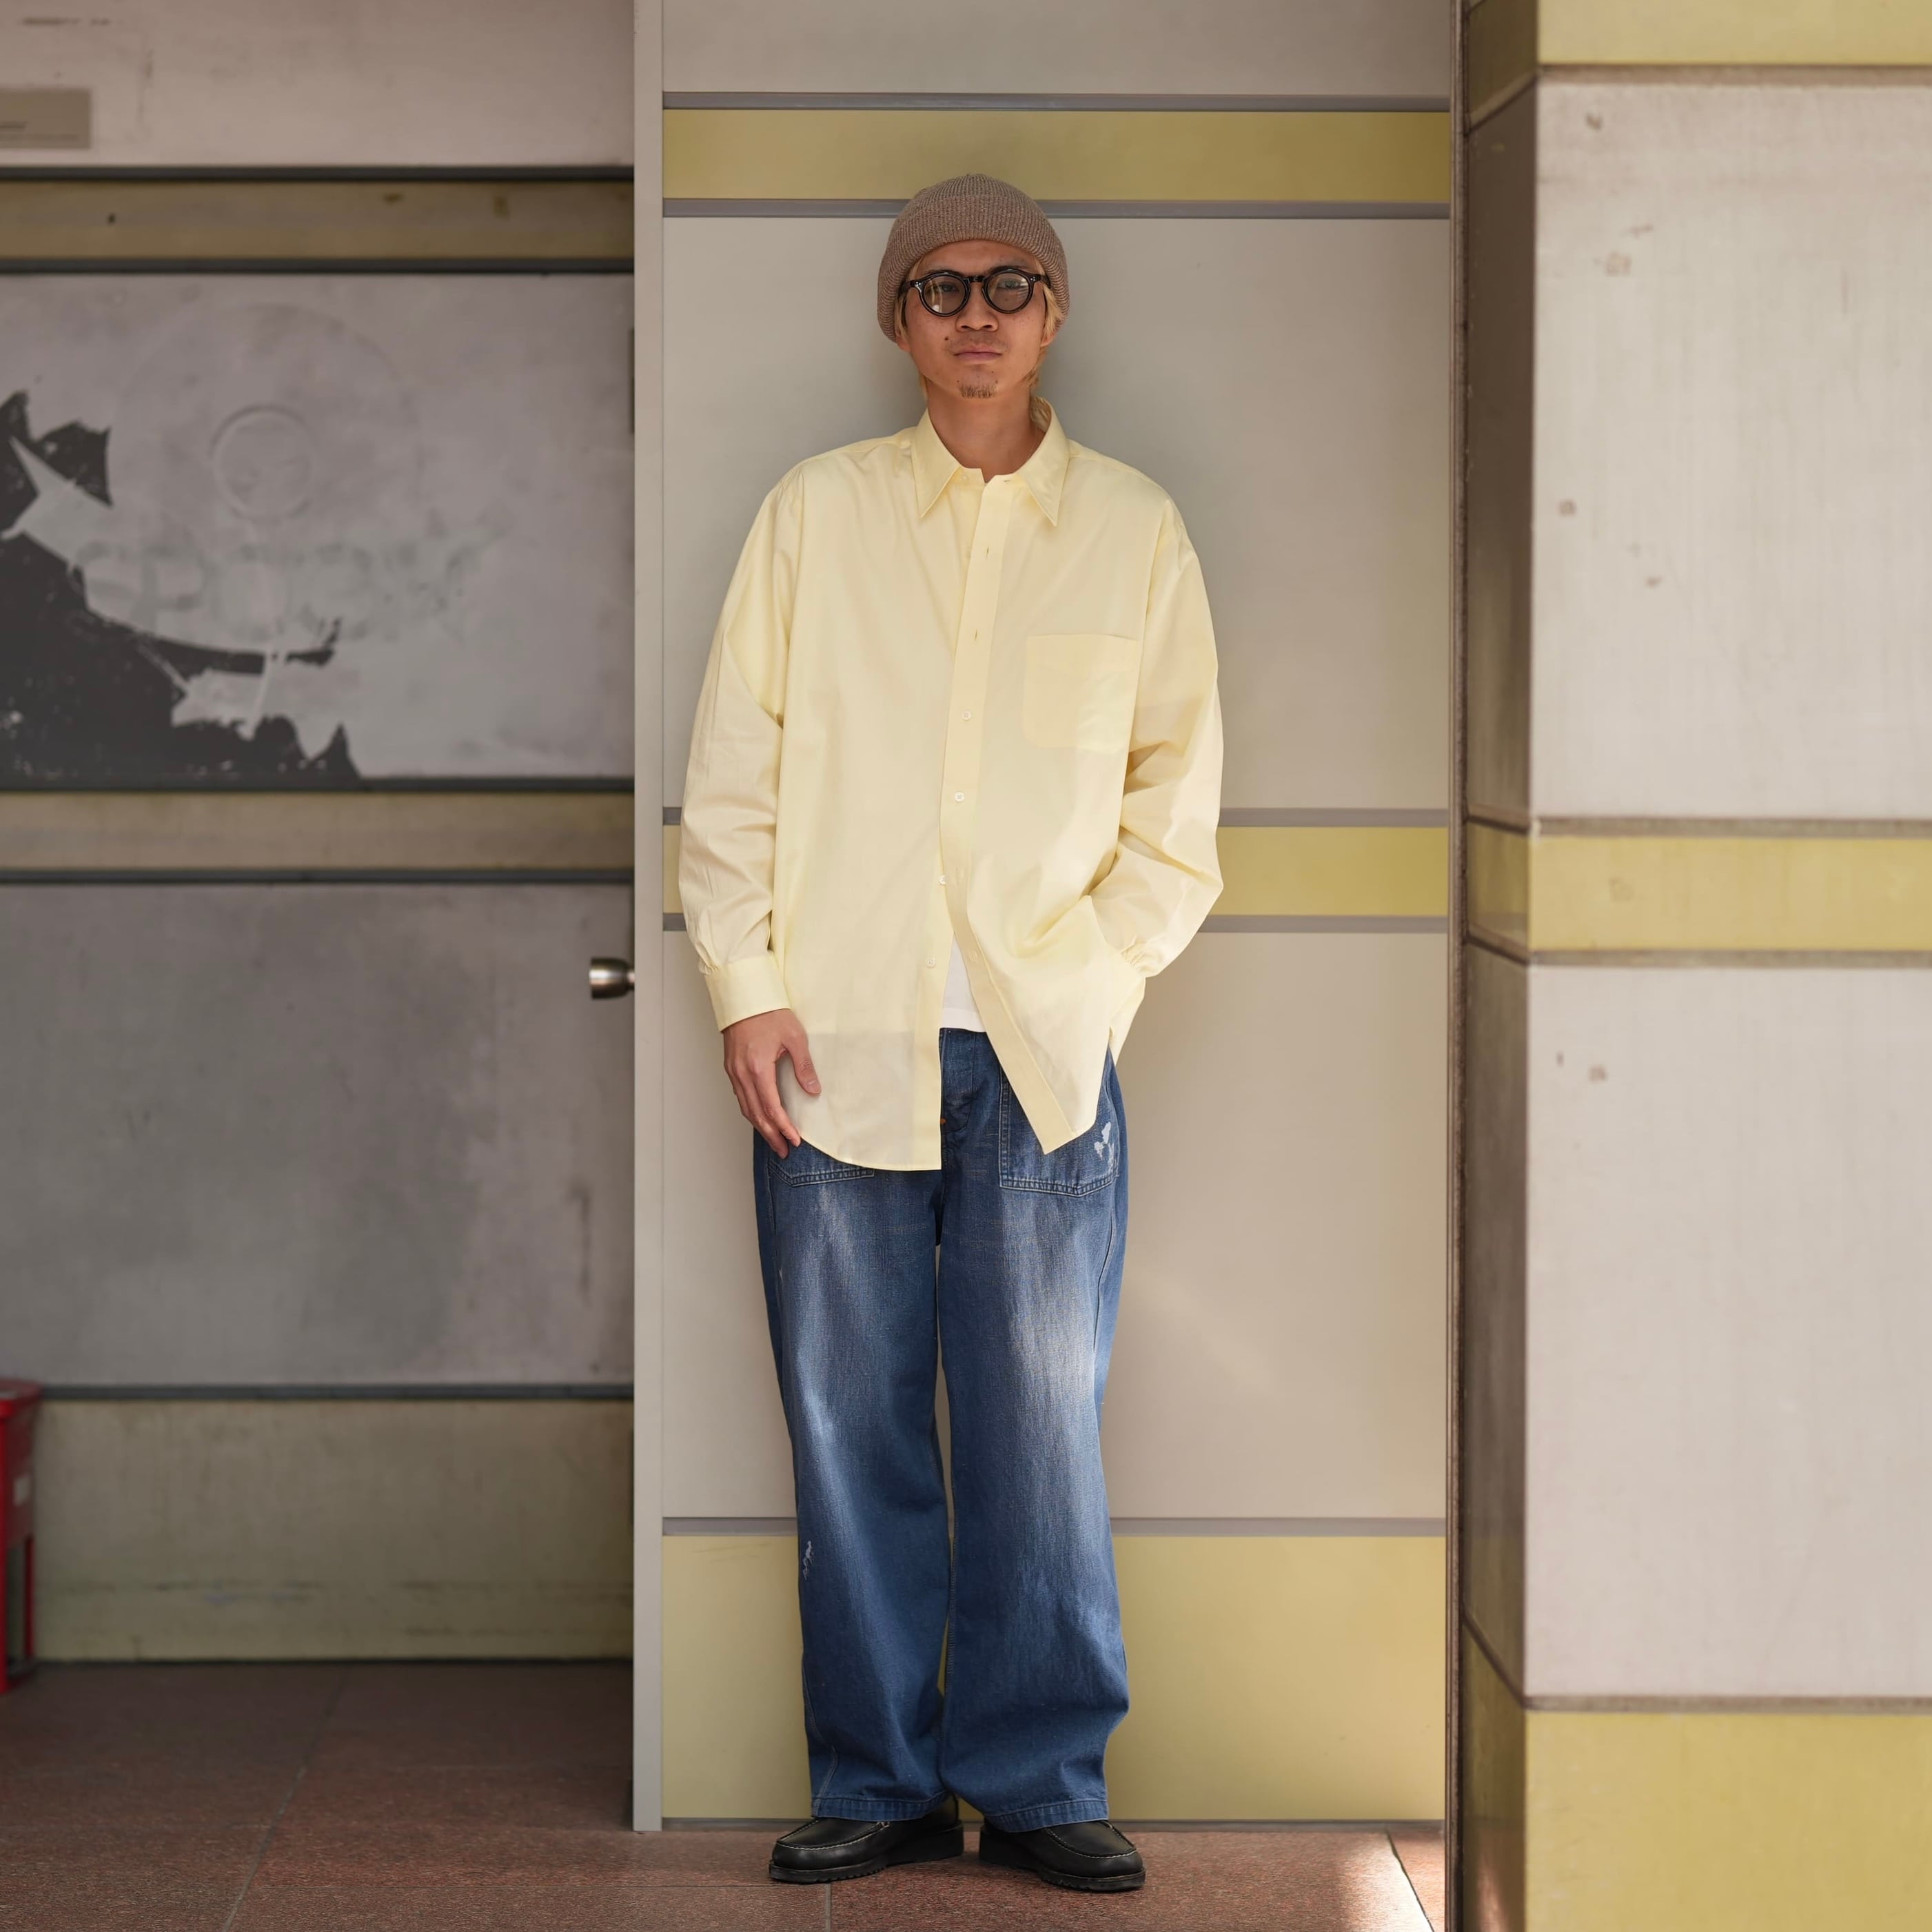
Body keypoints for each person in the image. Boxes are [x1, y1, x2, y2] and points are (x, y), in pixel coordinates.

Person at [677, 173, 1223, 1895]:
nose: (974, 314)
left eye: (1007, 285)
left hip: (1040, 1057)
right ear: (897, 319)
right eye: (939, 286)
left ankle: (1042, 1778)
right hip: (829, 1042)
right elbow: (735, 772)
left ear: (1053, 315)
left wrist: (1090, 983)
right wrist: (746, 983)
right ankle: (880, 1778)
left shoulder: (1132, 530)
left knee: (1037, 1433)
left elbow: (1175, 810)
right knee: (849, 1429)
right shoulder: (815, 517)